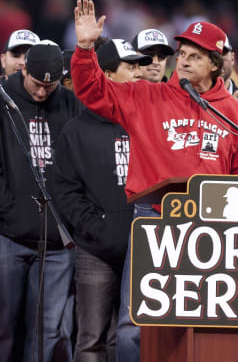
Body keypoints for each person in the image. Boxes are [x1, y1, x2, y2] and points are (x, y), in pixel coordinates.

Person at [71, 0, 238, 362]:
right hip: (155, 219)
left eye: (197, 55)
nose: (185, 59)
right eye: (183, 52)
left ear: (216, 64)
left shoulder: (235, 112)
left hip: (212, 228)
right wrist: (84, 49)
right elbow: (92, 92)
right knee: (135, 323)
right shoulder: (148, 96)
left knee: (202, 320)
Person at [0, 42, 82, 362]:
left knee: (46, 332)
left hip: (57, 243)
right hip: (7, 237)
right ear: (23, 70)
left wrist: (69, 216)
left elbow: (79, 165)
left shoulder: (70, 104)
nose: (43, 93)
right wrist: (7, 213)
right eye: (37, 84)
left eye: (51, 85)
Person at [54, 38, 150, 362]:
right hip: (95, 250)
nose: (140, 71)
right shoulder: (76, 130)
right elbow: (65, 190)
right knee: (91, 338)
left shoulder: (147, 121)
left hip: (146, 247)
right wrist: (98, 228)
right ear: (108, 74)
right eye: (131, 66)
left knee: (133, 336)